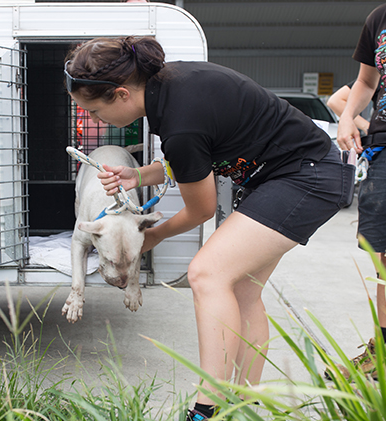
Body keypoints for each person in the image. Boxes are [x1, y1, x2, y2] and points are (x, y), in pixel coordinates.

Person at [64, 37, 352, 420]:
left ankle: (206, 408)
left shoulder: (178, 118)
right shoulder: (168, 84)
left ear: (120, 94)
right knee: (242, 289)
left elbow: (199, 208)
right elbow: (194, 155)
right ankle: (245, 403)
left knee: (206, 273)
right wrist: (138, 173)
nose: (98, 122)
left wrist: (153, 235)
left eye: (95, 112)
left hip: (307, 176)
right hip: (287, 174)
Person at [334, 3, 386, 380]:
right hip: (384, 149)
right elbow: (366, 82)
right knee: (381, 255)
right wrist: (347, 116)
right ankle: (381, 351)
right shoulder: (379, 18)